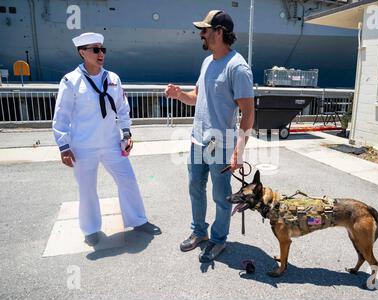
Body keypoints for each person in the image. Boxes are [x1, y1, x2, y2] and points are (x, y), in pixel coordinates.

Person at [52, 32, 160, 246]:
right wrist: (64, 146)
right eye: (95, 50)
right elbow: (61, 115)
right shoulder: (71, 81)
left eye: (103, 49)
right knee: (87, 188)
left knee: (128, 180)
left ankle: (138, 220)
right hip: (83, 146)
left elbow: (122, 108)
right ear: (82, 53)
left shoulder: (113, 79)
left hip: (111, 143)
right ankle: (91, 229)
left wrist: (127, 134)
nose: (101, 54)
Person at [165, 10, 254, 262]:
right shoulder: (207, 62)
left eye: (204, 30)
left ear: (219, 32)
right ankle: (199, 233)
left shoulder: (238, 68)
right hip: (197, 140)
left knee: (220, 194)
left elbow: (248, 112)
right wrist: (179, 95)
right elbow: (196, 98)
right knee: (195, 187)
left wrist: (239, 149)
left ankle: (218, 239)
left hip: (220, 144)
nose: (200, 35)